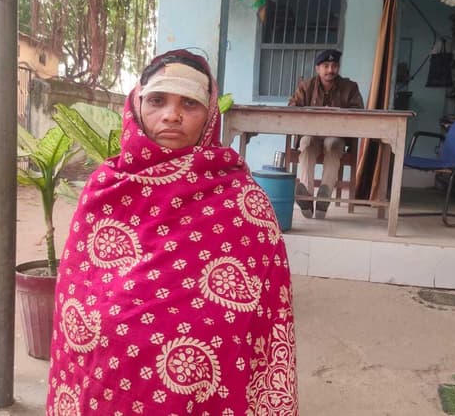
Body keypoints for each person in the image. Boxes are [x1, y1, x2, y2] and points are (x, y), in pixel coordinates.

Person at [46, 49, 298, 415]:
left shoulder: (242, 199)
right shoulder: (106, 187)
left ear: (209, 116)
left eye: (189, 104)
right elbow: (78, 294)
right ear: (137, 105)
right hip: (109, 378)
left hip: (201, 389)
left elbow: (267, 310)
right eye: (157, 101)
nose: (171, 115)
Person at [289, 48, 364, 219]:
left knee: (333, 144)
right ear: (317, 68)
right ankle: (306, 196)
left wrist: (338, 112)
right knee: (306, 143)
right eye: (326, 66)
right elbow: (292, 108)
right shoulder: (306, 86)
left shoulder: (350, 87)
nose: (331, 70)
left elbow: (359, 111)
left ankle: (325, 194)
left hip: (336, 135)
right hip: (311, 134)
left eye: (334, 66)